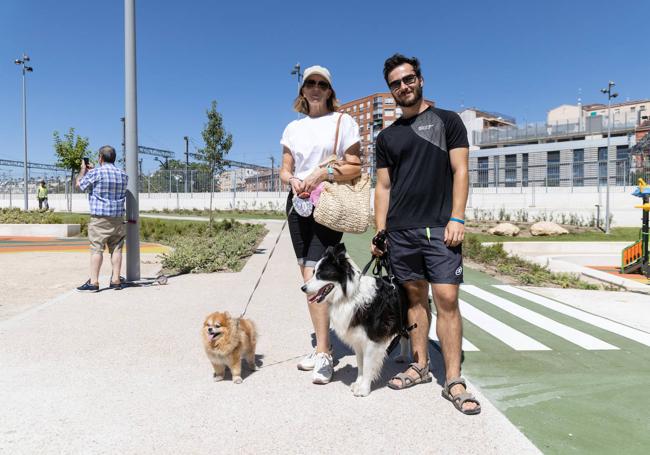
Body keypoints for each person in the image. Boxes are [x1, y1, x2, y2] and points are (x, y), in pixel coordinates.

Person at [371, 54, 480, 414]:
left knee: (447, 299)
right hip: (401, 231)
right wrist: (381, 231)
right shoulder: (386, 137)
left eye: (408, 79)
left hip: (440, 227)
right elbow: (383, 187)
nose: (403, 87)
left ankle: (453, 380)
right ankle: (420, 364)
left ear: (420, 80)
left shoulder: (447, 122)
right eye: (395, 84)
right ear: (391, 91)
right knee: (415, 300)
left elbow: (460, 171)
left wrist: (458, 218)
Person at [279, 65, 361, 384]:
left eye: (321, 84)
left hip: (327, 202)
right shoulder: (292, 129)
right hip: (298, 203)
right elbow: (286, 170)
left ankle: (325, 352)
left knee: (316, 273)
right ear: (302, 91)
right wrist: (295, 179)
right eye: (309, 83)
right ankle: (321, 343)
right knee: (306, 274)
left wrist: (319, 174)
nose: (315, 88)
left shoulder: (343, 122)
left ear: (329, 91)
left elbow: (354, 166)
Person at [75, 145, 128, 292]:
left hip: (100, 218)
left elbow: (79, 186)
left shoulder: (95, 173)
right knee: (116, 249)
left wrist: (83, 171)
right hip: (118, 217)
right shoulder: (123, 174)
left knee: (96, 249)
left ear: (100, 158)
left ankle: (94, 282)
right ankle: (116, 280)